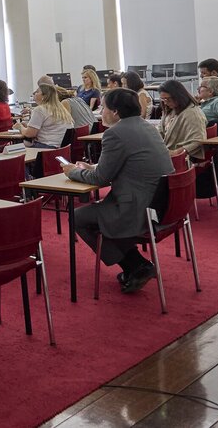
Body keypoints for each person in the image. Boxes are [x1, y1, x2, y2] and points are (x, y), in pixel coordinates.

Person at [62, 88, 174, 294]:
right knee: (99, 216)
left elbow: (100, 179)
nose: (101, 112)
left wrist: (73, 172)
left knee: (78, 217)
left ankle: (134, 265)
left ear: (115, 111)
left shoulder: (114, 133)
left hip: (136, 207)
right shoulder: (146, 126)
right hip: (163, 203)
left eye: (103, 107)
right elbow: (130, 162)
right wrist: (94, 167)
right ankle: (135, 264)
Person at [157, 79, 208, 161]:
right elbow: (160, 131)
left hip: (181, 158)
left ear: (178, 96)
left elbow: (198, 140)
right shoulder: (171, 110)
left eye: (168, 99)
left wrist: (176, 152)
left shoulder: (192, 114)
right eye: (163, 99)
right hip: (167, 152)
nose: (165, 103)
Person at [17, 83, 73, 149]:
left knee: (19, 146)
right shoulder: (61, 109)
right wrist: (28, 127)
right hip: (63, 149)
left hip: (46, 148)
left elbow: (29, 134)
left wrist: (20, 127)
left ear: (45, 96)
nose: (34, 94)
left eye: (37, 92)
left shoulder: (39, 109)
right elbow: (50, 128)